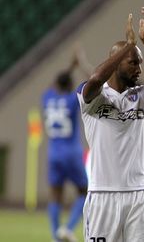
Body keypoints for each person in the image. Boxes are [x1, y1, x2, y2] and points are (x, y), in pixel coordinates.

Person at [77, 7, 144, 242]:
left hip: (138, 196)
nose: (139, 69)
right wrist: (126, 47)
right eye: (133, 62)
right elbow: (94, 80)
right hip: (102, 195)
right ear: (117, 62)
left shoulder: (142, 97)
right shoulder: (91, 98)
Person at [42, 48, 91, 242]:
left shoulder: (47, 98)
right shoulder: (72, 100)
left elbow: (54, 84)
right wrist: (81, 64)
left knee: (55, 195)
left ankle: (55, 236)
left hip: (53, 152)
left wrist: (69, 67)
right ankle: (68, 228)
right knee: (84, 191)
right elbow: (95, 82)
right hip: (71, 152)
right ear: (70, 85)